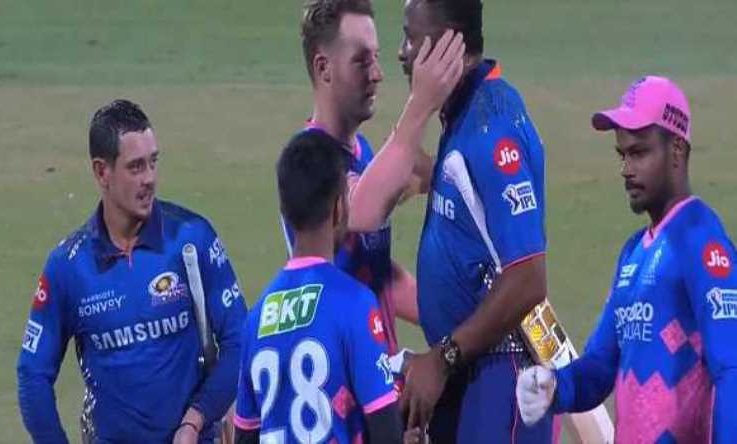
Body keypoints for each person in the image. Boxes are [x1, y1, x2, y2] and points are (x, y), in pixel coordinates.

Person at [517, 76, 737, 442]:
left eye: (639, 153)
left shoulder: (700, 240)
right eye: (622, 155)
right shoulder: (633, 253)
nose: (626, 169)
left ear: (677, 150)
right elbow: (600, 366)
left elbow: (731, 366)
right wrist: (555, 387)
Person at [16, 99, 248, 444]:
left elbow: (240, 339)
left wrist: (196, 420)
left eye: (153, 162)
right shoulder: (68, 267)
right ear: (102, 172)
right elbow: (33, 374)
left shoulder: (191, 239)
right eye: (136, 167)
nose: (149, 178)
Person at [396, 0, 554, 442]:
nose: (402, 52)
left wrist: (442, 357)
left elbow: (528, 277)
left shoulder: (492, 126)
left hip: (502, 376)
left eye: (412, 37)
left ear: (451, 43)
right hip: (472, 373)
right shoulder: (464, 113)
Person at [281, 0, 465, 357]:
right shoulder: (309, 160)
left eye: (376, 58)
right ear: (324, 68)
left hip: (375, 365)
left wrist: (457, 320)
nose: (378, 73)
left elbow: (377, 273)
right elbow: (363, 212)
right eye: (361, 61)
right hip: (337, 373)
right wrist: (421, 103)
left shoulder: (360, 151)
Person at [234, 130, 403, 444]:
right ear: (339, 208)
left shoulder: (255, 320)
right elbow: (386, 431)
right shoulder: (355, 304)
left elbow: (245, 437)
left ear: (285, 211)